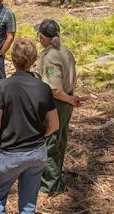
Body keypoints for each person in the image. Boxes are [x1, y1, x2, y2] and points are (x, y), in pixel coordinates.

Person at [0, 38, 58, 214]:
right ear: (34, 60)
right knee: (28, 202)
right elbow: (54, 124)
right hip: (36, 153)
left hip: (10, 152)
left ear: (12, 60)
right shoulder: (43, 88)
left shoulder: (3, 86)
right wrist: (40, 137)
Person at [32, 20, 82, 194]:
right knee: (60, 139)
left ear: (43, 38)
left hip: (57, 104)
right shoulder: (65, 52)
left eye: (39, 35)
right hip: (67, 101)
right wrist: (72, 97)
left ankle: (48, 186)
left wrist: (68, 99)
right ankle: (56, 176)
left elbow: (53, 88)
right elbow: (74, 77)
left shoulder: (50, 57)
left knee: (51, 142)